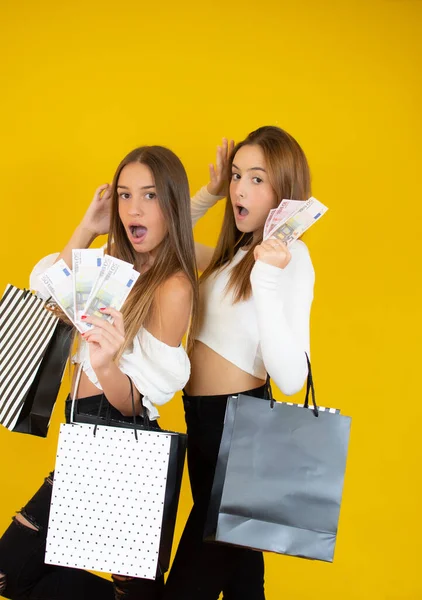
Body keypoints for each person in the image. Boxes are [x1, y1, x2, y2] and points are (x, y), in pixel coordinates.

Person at [0, 145, 198, 600]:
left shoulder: (172, 285)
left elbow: (141, 401)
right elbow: (44, 295)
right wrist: (87, 228)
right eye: (125, 196)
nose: (133, 208)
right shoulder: (112, 260)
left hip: (124, 441)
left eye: (149, 196)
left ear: (171, 204)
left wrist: (106, 363)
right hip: (82, 436)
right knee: (12, 572)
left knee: (134, 591)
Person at [164, 126, 315, 600]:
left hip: (245, 432)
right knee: (243, 582)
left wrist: (268, 280)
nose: (239, 190)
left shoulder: (291, 259)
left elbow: (292, 379)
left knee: (188, 586)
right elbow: (168, 243)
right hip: (204, 426)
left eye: (257, 178)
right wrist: (207, 194)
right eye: (235, 176)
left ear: (284, 193)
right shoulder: (234, 255)